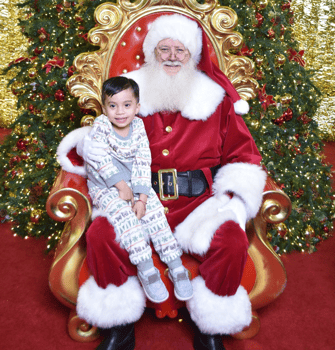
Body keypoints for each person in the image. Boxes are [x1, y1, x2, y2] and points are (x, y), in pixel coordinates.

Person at [57, 14, 267, 350]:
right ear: (153, 52)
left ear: (192, 56)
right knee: (100, 234)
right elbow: (101, 142)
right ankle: (119, 327)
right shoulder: (129, 96)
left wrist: (233, 203)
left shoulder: (216, 100)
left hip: (199, 204)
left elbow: (244, 156)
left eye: (180, 50)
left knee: (232, 240)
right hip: (137, 199)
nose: (171, 56)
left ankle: (210, 327)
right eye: (163, 49)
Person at [85, 76, 193, 304]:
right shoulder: (101, 127)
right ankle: (147, 269)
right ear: (104, 108)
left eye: (127, 105)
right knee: (128, 221)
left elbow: (143, 161)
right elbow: (102, 160)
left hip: (133, 181)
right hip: (105, 186)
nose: (120, 112)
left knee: (154, 215)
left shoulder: (138, 126)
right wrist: (120, 187)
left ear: (137, 107)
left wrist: (142, 198)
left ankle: (175, 265)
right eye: (112, 106)